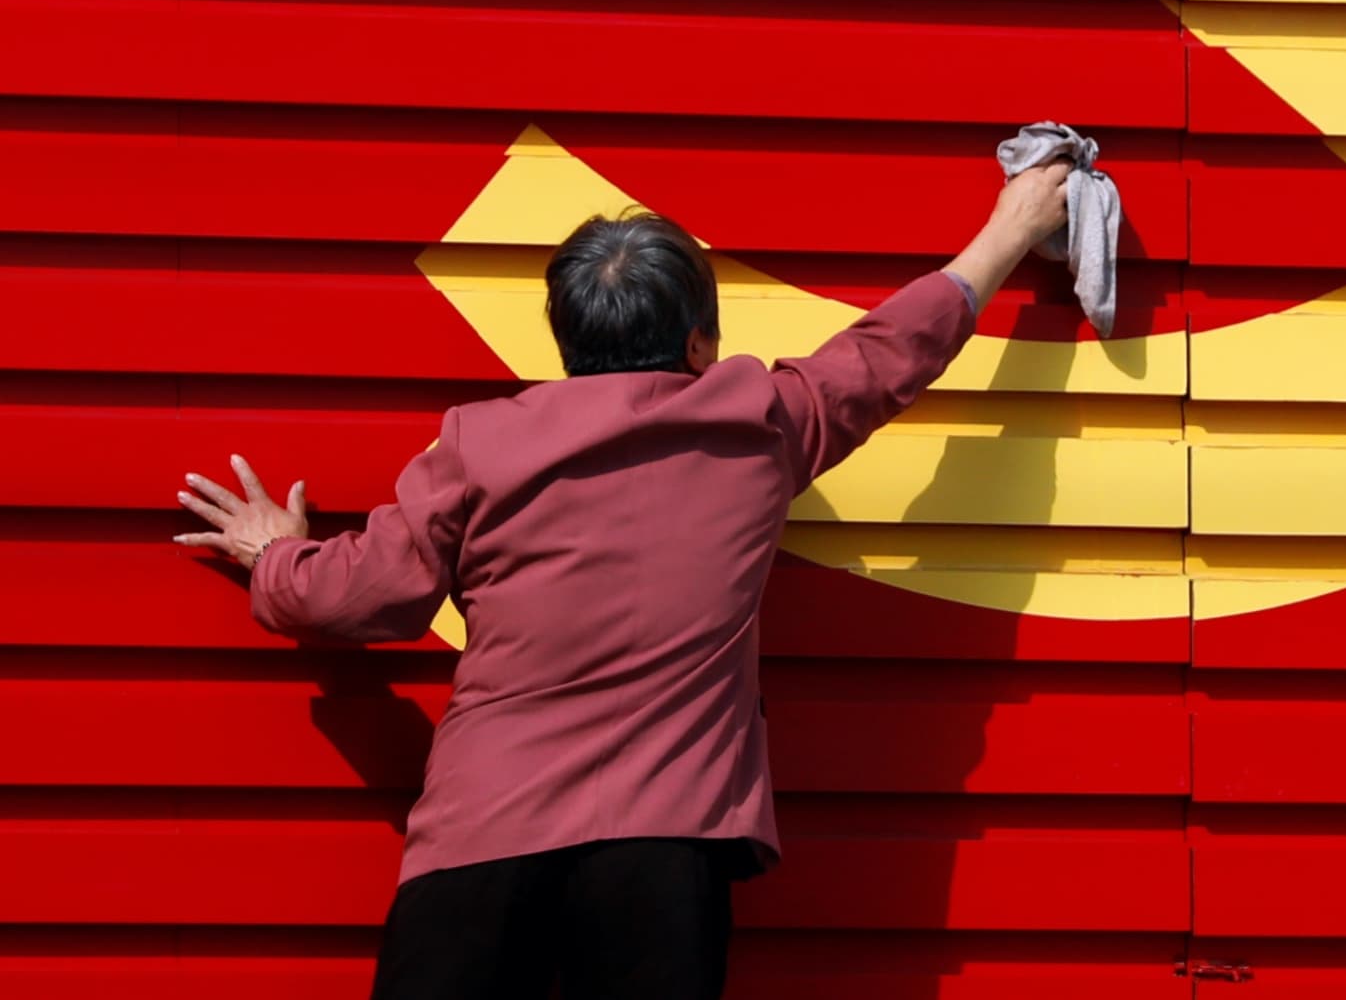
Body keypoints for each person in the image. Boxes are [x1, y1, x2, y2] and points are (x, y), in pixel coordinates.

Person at [173, 160, 1076, 1000]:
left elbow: (356, 596)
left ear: (568, 339)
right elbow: (887, 354)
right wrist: (1010, 226)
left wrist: (274, 551)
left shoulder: (478, 445)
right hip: (662, 854)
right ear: (696, 343)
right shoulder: (757, 423)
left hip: (483, 844)